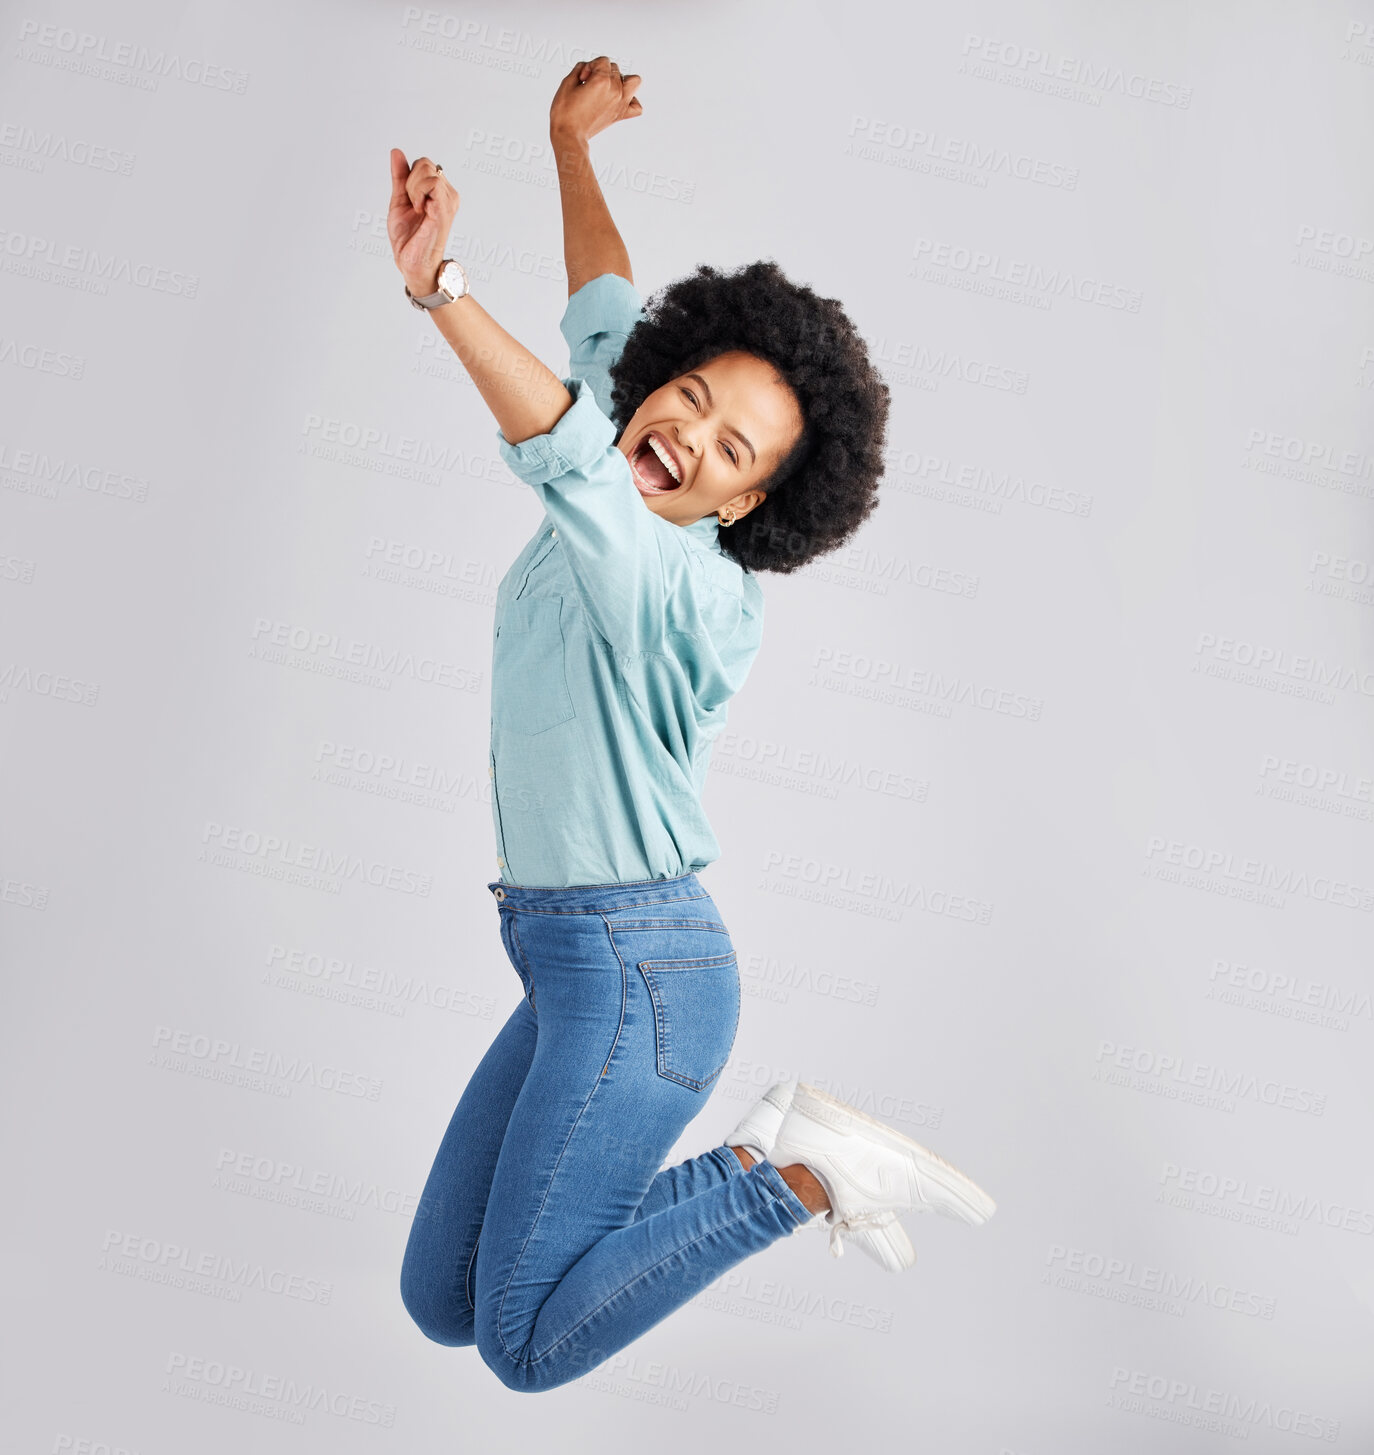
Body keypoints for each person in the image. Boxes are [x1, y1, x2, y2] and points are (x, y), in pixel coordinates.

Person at [392, 56, 995, 1394]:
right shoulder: (627, 431)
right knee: (439, 1295)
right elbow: (605, 307)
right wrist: (570, 146)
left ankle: (789, 1168)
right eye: (695, 403)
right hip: (565, 961)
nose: (693, 439)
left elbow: (557, 452)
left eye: (735, 455)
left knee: (526, 1344)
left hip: (641, 974)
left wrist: (442, 292)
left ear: (746, 508)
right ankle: (774, 1162)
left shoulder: (692, 590)